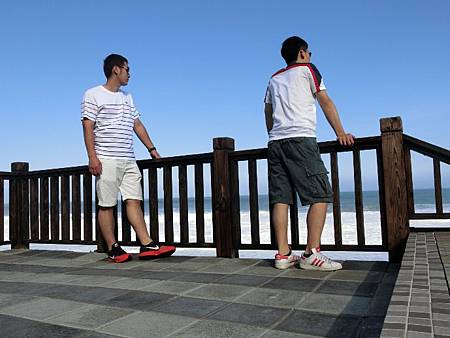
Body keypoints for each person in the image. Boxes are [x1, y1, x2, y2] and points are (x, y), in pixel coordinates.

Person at [264, 36, 355, 270]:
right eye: (309, 52)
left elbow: (267, 111)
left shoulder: (274, 78)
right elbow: (325, 101)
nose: (310, 56)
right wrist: (341, 132)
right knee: (321, 194)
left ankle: (283, 254)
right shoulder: (308, 69)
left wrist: (274, 134)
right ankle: (311, 254)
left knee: (281, 198)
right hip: (300, 139)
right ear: (303, 53)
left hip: (275, 143)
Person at [81, 54, 176, 263]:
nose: (129, 74)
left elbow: (137, 125)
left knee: (134, 201)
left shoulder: (127, 97)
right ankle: (113, 248)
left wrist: (152, 149)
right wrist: (92, 157)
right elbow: (88, 126)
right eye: (127, 69)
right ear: (116, 69)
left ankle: (147, 244)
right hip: (106, 158)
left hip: (129, 159)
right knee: (106, 204)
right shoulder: (93, 94)